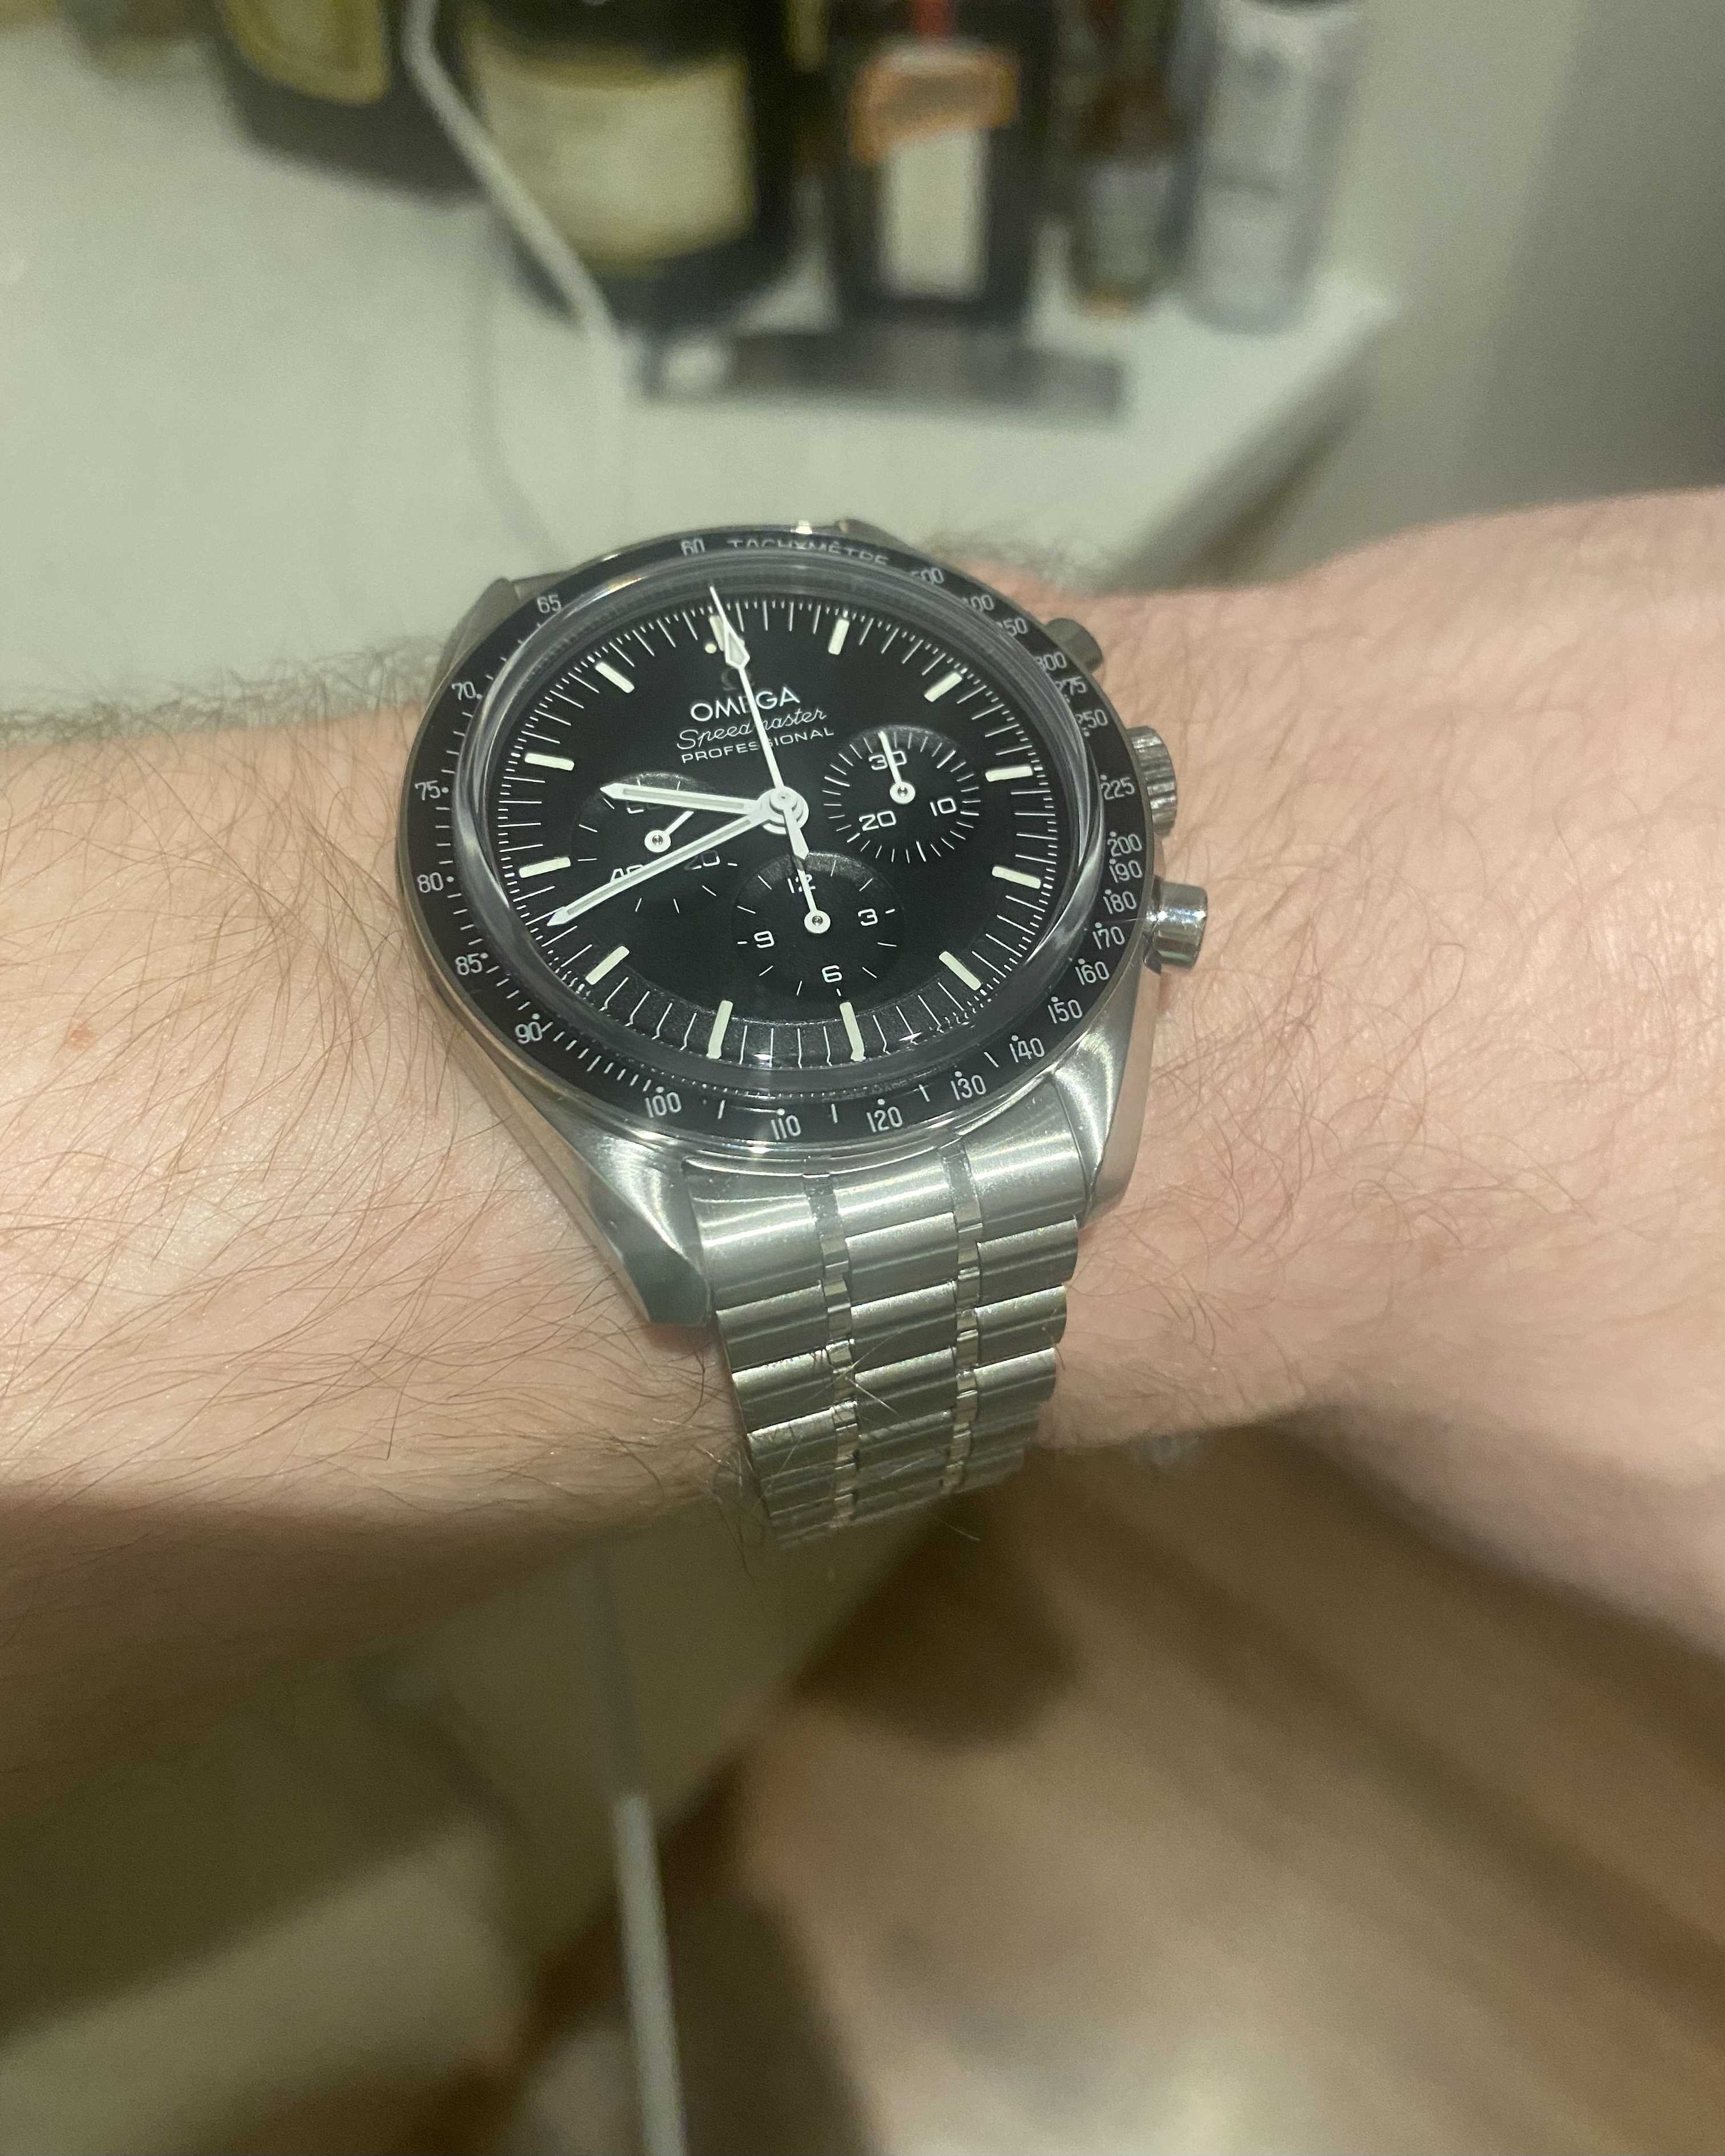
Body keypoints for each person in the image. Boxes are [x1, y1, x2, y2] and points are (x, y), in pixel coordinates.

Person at [7, 488, 1725, 1795]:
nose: (784, 807)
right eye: (760, 803)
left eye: (796, 794)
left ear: (1126, 788)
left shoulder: (1035, 849)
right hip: (701, 1116)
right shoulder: (553, 941)